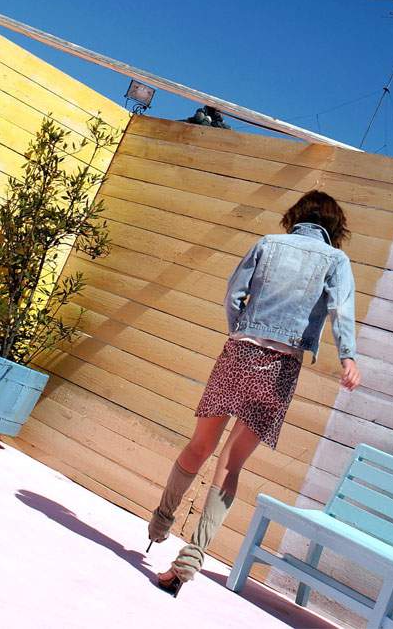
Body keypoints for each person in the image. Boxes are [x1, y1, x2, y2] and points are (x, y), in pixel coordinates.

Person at [148, 189, 361, 596]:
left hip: (240, 352)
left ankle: (161, 520)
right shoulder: (336, 260)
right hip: (281, 366)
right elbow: (341, 311)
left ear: (296, 216)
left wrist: (240, 330)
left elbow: (234, 295)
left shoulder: (268, 244)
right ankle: (192, 558)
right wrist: (348, 357)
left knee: (200, 445)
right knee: (230, 465)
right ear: (334, 226)